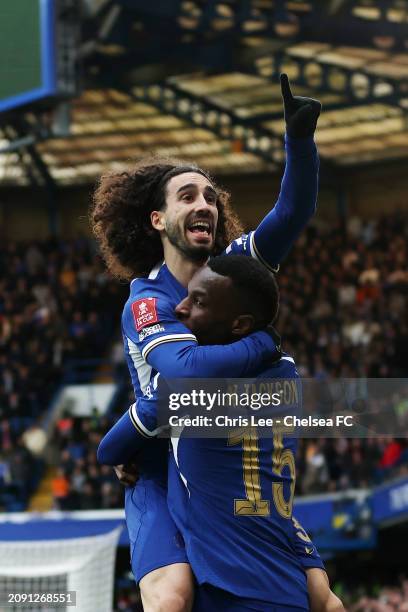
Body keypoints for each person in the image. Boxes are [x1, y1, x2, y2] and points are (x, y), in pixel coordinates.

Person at [91, 74, 322, 611]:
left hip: (225, 453)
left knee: (318, 595)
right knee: (173, 594)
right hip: (158, 456)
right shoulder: (146, 298)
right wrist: (263, 345)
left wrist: (300, 139)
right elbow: (185, 374)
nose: (205, 205)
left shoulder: (234, 266)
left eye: (211, 197)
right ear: (158, 219)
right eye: (188, 195)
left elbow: (292, 212)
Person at [98, 256, 344, 611]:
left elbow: (108, 450)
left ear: (239, 324)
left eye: (198, 302)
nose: (179, 309)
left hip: (231, 590)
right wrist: (264, 341)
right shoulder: (287, 373)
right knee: (327, 599)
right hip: (287, 577)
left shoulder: (185, 389)